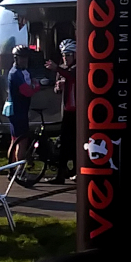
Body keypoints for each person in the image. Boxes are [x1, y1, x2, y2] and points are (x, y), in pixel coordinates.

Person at [5, 46, 39, 171]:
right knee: (21, 141)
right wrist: (36, 86)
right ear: (16, 59)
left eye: (26, 58)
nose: (25, 60)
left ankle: (12, 169)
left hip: (19, 110)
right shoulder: (15, 74)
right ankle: (19, 170)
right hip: (18, 111)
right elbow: (27, 91)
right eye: (22, 58)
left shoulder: (23, 71)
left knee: (15, 141)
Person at [55, 38, 78, 178]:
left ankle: (75, 170)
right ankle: (61, 173)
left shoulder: (77, 67)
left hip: (77, 112)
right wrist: (58, 87)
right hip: (66, 110)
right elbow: (57, 87)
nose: (65, 58)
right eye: (63, 55)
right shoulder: (62, 69)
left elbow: (71, 75)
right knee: (64, 142)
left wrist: (56, 69)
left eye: (68, 55)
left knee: (76, 141)